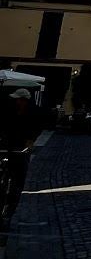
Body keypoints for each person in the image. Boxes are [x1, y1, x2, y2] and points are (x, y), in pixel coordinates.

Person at [1, 89, 43, 221]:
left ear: (24, 100)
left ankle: (10, 208)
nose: (17, 101)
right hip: (8, 146)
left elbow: (37, 128)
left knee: (18, 180)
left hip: (22, 148)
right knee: (4, 171)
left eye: (19, 99)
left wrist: (30, 141)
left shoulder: (32, 113)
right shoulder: (10, 110)